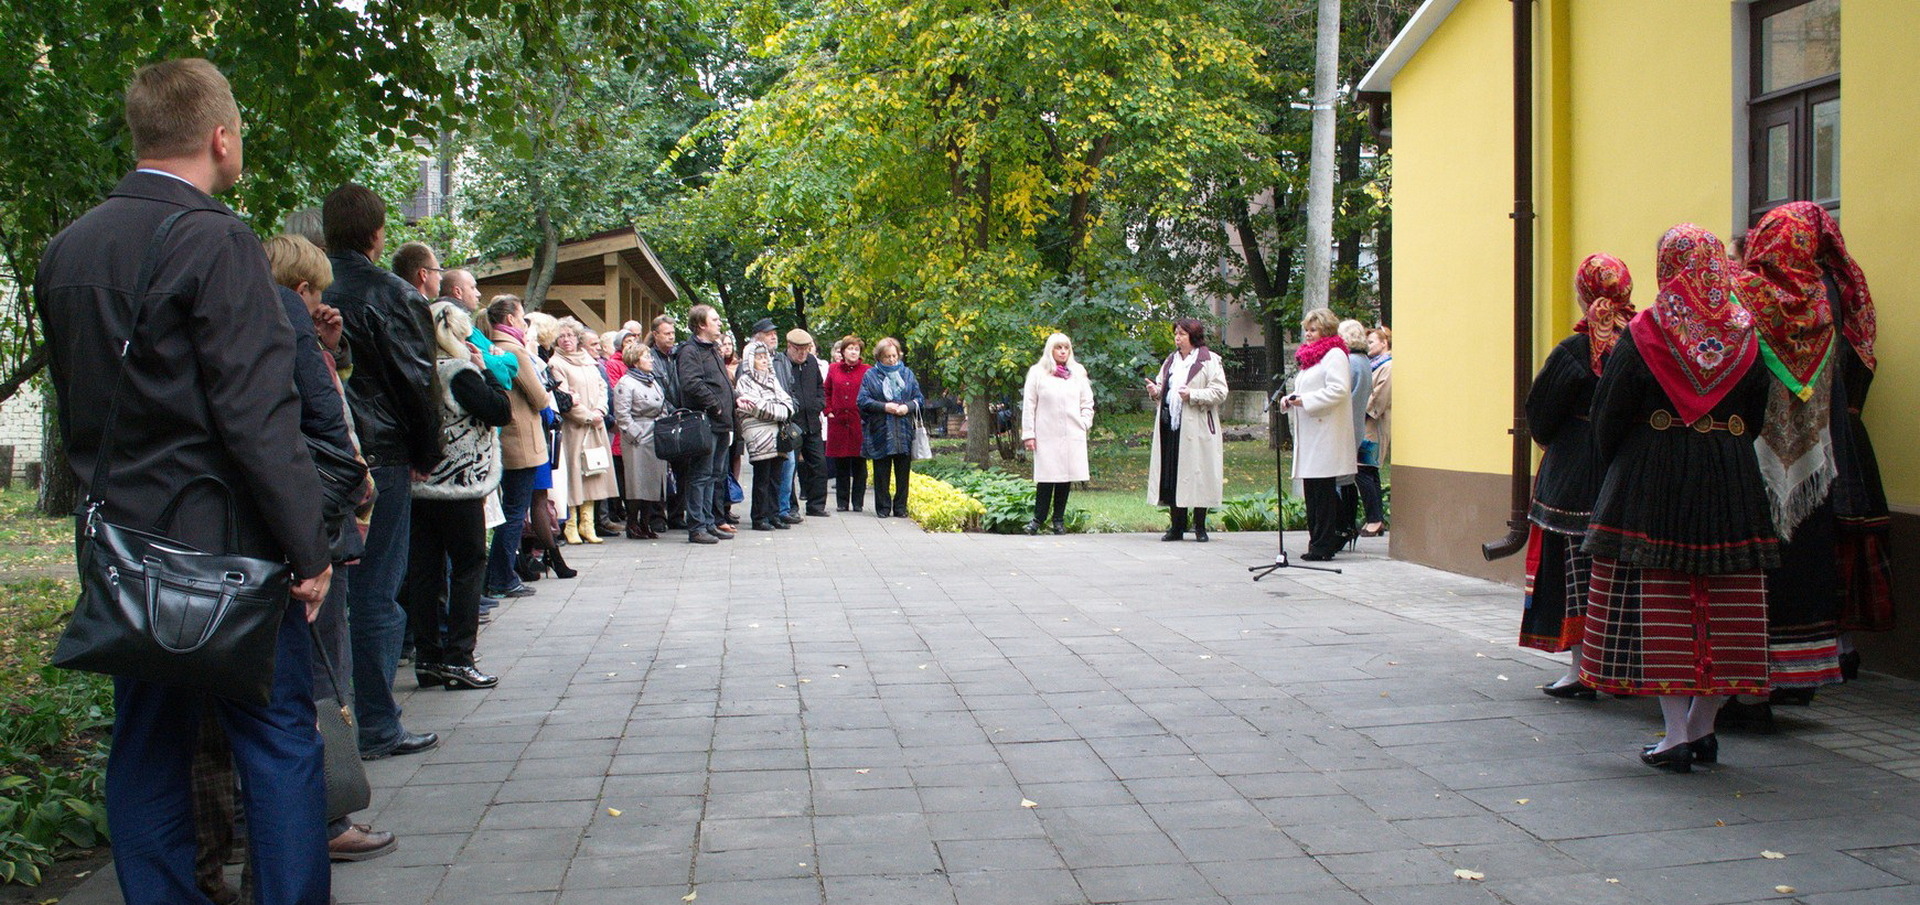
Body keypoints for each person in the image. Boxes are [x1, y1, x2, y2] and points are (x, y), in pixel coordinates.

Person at [36, 58, 334, 904]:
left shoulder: (69, 247)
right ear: (220, 137)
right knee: (277, 738)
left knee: (144, 744)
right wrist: (307, 544)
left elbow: (80, 409)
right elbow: (255, 415)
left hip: (125, 547)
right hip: (226, 547)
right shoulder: (217, 240)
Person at [1580, 224, 1779, 773]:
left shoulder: (1647, 331)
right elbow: (1757, 416)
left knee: (1661, 599)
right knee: (1728, 599)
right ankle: (1703, 728)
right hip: (1731, 477)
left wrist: (1629, 457)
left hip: (1654, 476)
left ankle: (1674, 736)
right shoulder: (1746, 333)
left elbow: (1608, 415)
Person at [321, 183, 442, 760]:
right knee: (376, 592)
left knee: (333, 591)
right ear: (377, 234)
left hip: (325, 455)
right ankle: (376, 723)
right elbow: (417, 380)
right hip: (384, 455)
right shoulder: (392, 293)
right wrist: (427, 451)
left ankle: (338, 721)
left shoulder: (310, 291)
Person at [1725, 201, 1851, 716]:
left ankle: (1751, 683)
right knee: (1803, 564)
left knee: (1756, 573)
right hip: (1813, 462)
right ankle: (1800, 677)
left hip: (1750, 457)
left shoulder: (1744, 297)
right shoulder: (1822, 303)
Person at [1520, 253, 1633, 699]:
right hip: (1624, 466)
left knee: (1574, 571)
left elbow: (1541, 416)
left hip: (1572, 472)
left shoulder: (1572, 351)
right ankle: (1623, 668)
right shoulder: (1642, 340)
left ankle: (1582, 668)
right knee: (1623, 571)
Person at [406, 302, 510, 691]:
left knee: (426, 572)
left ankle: (429, 656)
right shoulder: (459, 372)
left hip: (422, 482)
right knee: (468, 566)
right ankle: (459, 658)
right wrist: (486, 371)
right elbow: (500, 411)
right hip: (459, 483)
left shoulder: (416, 370)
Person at [482, 295, 551, 598]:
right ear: (509, 319)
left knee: (511, 509)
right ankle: (502, 576)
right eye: (522, 316)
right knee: (514, 511)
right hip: (521, 441)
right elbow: (539, 398)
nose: (525, 322)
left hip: (509, 439)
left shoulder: (492, 345)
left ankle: (499, 574)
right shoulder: (516, 352)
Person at [1147, 318, 1230, 542]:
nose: (1177, 337)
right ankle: (1177, 526)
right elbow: (1164, 388)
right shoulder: (1171, 361)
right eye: (1176, 333)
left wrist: (1193, 395)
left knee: (1199, 474)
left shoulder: (1209, 360)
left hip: (1199, 426)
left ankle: (1200, 526)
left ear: (1193, 336)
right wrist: (1155, 391)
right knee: (1173, 474)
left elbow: (1220, 392)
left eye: (1182, 334)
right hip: (1172, 425)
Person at [1278, 309, 1352, 558]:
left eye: (1313, 330)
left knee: (1323, 492)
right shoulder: (1311, 358)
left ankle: (1324, 545)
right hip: (1311, 434)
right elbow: (1304, 389)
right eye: (1306, 330)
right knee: (1313, 491)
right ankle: (1318, 542)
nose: (1308, 335)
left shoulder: (1334, 355)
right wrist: (1290, 400)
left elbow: (1338, 390)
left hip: (1325, 433)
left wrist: (1305, 400)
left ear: (1326, 331)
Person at [548, 318, 618, 544]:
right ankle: (571, 523)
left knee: (593, 474)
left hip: (595, 425)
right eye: (562, 336)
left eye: (570, 335)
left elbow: (601, 387)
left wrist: (600, 410)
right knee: (574, 474)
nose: (566, 340)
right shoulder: (556, 363)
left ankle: (588, 524)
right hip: (574, 428)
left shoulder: (588, 361)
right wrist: (587, 415)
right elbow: (564, 397)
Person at [1021, 332, 1094, 535]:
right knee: (1046, 477)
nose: (1062, 351)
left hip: (1072, 432)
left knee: (1065, 476)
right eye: (1058, 347)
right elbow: (1029, 404)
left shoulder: (1077, 372)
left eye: (1066, 348)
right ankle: (1038, 520)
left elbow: (1087, 401)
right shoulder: (1038, 372)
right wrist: (1029, 434)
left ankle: (1059, 521)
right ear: (1050, 350)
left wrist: (1085, 422)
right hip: (1046, 432)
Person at [677, 305, 738, 544]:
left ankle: (709, 522)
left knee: (715, 474)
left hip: (722, 423)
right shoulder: (690, 351)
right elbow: (691, 383)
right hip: (705, 421)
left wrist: (733, 398)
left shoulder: (712, 349)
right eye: (715, 319)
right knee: (700, 475)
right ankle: (697, 526)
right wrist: (716, 404)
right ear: (701, 324)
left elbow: (720, 381)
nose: (719, 322)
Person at [737, 331, 798, 530]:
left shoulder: (773, 379)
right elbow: (753, 407)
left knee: (776, 478)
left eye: (765, 357)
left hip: (778, 436)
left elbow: (787, 403)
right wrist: (778, 411)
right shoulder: (745, 381)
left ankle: (774, 515)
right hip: (759, 437)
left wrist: (777, 411)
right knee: (762, 479)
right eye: (759, 357)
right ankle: (759, 517)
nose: (763, 360)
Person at [859, 337, 925, 518]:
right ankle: (883, 508)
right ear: (879, 357)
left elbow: (919, 399)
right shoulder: (871, 375)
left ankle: (901, 508)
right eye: (887, 356)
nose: (892, 360)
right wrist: (884, 407)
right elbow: (862, 401)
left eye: (894, 356)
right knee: (881, 472)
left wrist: (907, 406)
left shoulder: (907, 374)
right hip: (880, 430)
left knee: (903, 473)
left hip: (903, 430)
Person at [614, 343, 669, 538]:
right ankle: (632, 523)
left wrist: (662, 427)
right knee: (637, 482)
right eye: (647, 357)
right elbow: (622, 415)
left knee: (652, 483)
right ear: (636, 361)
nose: (651, 360)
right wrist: (637, 435)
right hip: (637, 440)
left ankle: (645, 522)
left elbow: (662, 405)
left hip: (655, 436)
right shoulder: (626, 383)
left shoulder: (653, 382)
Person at [775, 328, 831, 519]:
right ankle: (791, 507)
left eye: (806, 349)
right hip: (792, 425)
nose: (803, 354)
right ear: (789, 346)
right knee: (789, 467)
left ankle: (816, 505)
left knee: (819, 465)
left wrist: (819, 404)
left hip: (812, 423)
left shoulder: (812, 362)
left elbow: (819, 387)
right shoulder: (781, 363)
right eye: (799, 350)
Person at [649, 315, 688, 532]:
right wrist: (674, 411)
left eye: (673, 333)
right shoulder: (651, 359)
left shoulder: (677, 356)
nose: (671, 337)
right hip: (663, 419)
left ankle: (676, 514)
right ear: (655, 335)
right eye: (667, 333)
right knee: (660, 469)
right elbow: (657, 391)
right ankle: (657, 515)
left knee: (682, 468)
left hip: (681, 418)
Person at [1335, 319, 1373, 543]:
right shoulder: (1364, 361)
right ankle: (1349, 526)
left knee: (1339, 479)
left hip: (1343, 426)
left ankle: (1342, 527)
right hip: (1357, 424)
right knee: (1349, 477)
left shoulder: (1349, 362)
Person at [826, 335, 872, 511]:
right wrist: (828, 410)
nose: (853, 352)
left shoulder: (867, 370)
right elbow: (826, 391)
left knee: (860, 464)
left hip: (858, 421)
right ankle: (842, 503)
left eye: (857, 349)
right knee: (841, 464)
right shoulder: (833, 369)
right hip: (837, 421)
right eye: (850, 349)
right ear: (843, 351)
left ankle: (858, 503)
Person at [1358, 326, 1393, 536]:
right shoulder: (1374, 365)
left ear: (1384, 343)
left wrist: (1361, 411)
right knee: (1369, 471)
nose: (1368, 345)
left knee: (1363, 469)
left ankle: (1374, 519)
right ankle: (1375, 518)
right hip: (1366, 425)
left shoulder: (1387, 366)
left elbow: (1379, 397)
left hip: (1373, 426)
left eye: (1372, 342)